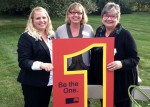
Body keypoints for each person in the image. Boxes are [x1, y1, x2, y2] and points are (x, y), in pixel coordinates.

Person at [90, 2, 140, 107]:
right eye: (106, 15)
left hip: (121, 81)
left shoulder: (125, 34)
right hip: (103, 79)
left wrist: (121, 63)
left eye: (113, 16)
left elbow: (135, 59)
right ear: (102, 16)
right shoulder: (99, 32)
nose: (109, 19)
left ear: (118, 18)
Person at [56, 2, 94, 107]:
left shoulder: (89, 29)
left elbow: (94, 48)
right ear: (68, 14)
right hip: (67, 69)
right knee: (70, 96)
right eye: (73, 12)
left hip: (85, 68)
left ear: (82, 15)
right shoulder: (60, 30)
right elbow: (56, 51)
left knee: (85, 95)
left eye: (79, 13)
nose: (76, 15)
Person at [17, 6, 55, 107]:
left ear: (48, 19)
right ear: (32, 21)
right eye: (38, 18)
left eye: (44, 17)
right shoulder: (26, 37)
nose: (42, 20)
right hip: (32, 82)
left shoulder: (52, 35)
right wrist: (41, 65)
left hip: (49, 81)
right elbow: (23, 61)